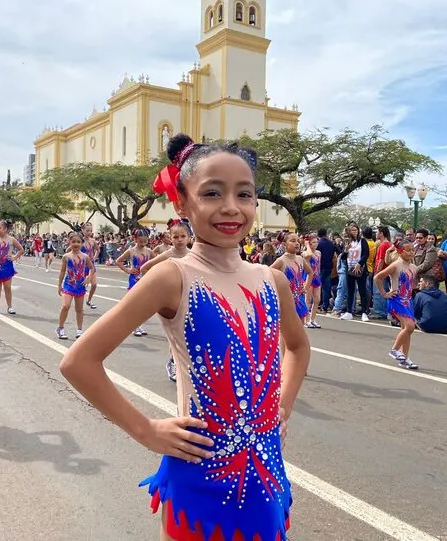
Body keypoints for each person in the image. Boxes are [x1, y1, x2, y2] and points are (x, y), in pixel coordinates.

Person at [59, 133, 309, 541]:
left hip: (266, 471)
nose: (231, 207)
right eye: (212, 193)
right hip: (200, 470)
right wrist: (147, 431)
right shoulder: (172, 277)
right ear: (181, 202)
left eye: (244, 194)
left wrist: (282, 403)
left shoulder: (273, 280)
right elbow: (79, 362)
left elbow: (297, 347)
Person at [140, 218, 193, 382]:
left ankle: (181, 362)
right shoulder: (168, 254)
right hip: (172, 299)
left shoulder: (193, 255)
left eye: (182, 236)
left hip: (189, 297)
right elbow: (145, 268)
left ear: (189, 237)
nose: (179, 240)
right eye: (175, 237)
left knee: (187, 334)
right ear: (170, 237)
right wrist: (155, 288)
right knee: (175, 333)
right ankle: (174, 362)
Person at [374, 240, 419, 370]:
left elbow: (410, 284)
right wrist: (384, 293)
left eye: (412, 249)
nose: (411, 252)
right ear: (400, 251)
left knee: (407, 331)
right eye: (407, 250)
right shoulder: (396, 265)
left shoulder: (414, 268)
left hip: (407, 301)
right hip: (397, 300)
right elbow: (378, 277)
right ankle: (394, 350)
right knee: (410, 327)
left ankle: (405, 358)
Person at [56, 232, 95, 340]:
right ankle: (60, 328)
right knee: (65, 306)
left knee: (79, 309)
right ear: (69, 242)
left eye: (78, 242)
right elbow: (62, 271)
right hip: (68, 285)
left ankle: (79, 330)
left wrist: (89, 278)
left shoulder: (85, 257)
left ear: (82, 243)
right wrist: (59, 285)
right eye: (73, 242)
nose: (76, 244)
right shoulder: (66, 256)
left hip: (80, 285)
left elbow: (92, 268)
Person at [116, 228, 154, 337]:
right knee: (135, 303)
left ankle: (139, 325)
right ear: (135, 239)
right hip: (134, 279)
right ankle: (134, 326)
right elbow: (118, 261)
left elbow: (155, 263)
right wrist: (128, 270)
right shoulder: (131, 251)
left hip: (146, 280)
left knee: (143, 305)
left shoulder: (149, 251)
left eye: (145, 241)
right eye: (140, 241)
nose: (143, 244)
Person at [272, 232, 313, 325]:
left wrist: (305, 287)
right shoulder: (281, 261)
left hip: (299, 298)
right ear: (284, 244)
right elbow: (268, 274)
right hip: (286, 300)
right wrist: (281, 282)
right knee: (286, 331)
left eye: (298, 241)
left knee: (300, 327)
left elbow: (310, 272)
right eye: (293, 241)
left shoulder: (300, 259)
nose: (297, 243)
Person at [338, 223, 370, 322]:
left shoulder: (362, 241)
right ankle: (349, 311)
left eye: (355, 230)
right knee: (350, 291)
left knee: (362, 290)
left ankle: (364, 312)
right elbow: (342, 257)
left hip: (360, 269)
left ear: (358, 231)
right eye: (352, 230)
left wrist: (359, 263)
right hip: (350, 268)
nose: (354, 232)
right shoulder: (347, 242)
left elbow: (366, 254)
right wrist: (346, 251)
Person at [316, 228, 339, 312]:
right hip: (329, 266)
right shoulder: (331, 243)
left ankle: (318, 303)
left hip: (320, 267)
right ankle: (325, 305)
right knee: (326, 287)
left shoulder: (318, 243)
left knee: (318, 286)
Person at [303, 235, 322, 328]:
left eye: (316, 242)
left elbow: (318, 266)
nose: (316, 244)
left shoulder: (319, 253)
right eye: (313, 242)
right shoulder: (305, 253)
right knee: (308, 299)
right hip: (308, 277)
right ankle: (306, 320)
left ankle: (313, 319)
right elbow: (309, 255)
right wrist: (306, 245)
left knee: (317, 299)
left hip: (317, 277)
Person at [81, 222, 100, 309]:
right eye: (87, 230)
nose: (89, 232)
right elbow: (69, 250)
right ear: (83, 230)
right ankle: (79, 305)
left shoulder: (92, 241)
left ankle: (89, 300)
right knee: (82, 285)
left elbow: (97, 250)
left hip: (91, 266)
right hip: (81, 266)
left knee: (94, 284)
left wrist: (94, 258)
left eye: (91, 231)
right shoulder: (79, 241)